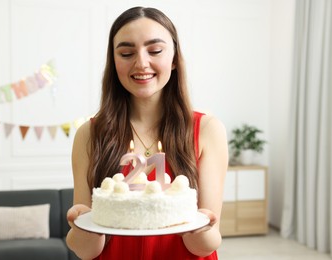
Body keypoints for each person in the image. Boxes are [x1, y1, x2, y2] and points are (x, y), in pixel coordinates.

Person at [66, 6, 228, 260]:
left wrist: (204, 227)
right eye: (127, 53)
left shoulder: (207, 130)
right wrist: (80, 224)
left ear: (174, 59)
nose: (141, 63)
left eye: (155, 51)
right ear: (114, 61)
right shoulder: (89, 133)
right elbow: (86, 252)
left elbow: (205, 245)